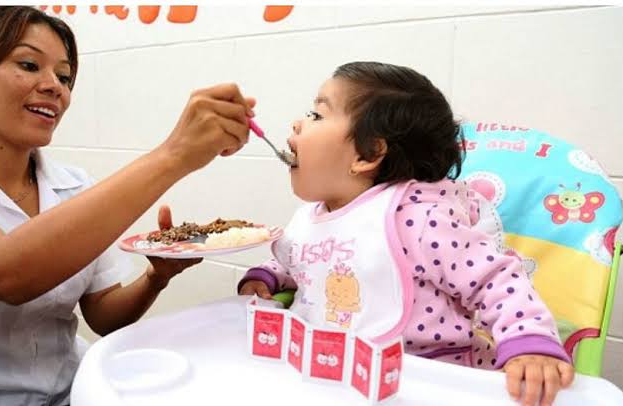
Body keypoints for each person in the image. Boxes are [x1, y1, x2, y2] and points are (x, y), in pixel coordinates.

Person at [0, 6, 255, 405]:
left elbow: (102, 316)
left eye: (63, 76)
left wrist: (156, 277)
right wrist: (173, 156)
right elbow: (4, 272)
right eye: (29, 64)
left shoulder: (75, 188)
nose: (54, 87)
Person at [238, 61, 574, 406]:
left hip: (429, 380)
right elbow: (307, 257)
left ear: (368, 154)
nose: (297, 123)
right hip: (334, 377)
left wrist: (529, 339)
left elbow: (495, 279)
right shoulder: (313, 217)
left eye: (317, 115)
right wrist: (269, 275)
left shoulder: (418, 218)